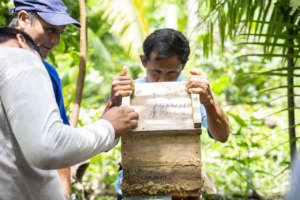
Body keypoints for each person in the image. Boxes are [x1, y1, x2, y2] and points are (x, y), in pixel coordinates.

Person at [0, 26, 139, 200]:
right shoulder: (19, 57)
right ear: (21, 41)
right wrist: (108, 127)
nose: (55, 41)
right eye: (49, 30)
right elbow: (48, 146)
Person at [108, 28, 230, 199]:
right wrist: (113, 102)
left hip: (182, 193)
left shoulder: (194, 91)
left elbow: (222, 136)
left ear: (184, 65)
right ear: (144, 61)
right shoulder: (128, 91)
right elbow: (106, 145)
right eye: (156, 72)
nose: (162, 81)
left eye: (172, 73)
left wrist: (209, 100)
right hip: (135, 192)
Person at [9, 0, 81, 196]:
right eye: (50, 30)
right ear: (23, 19)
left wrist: (64, 191)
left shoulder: (48, 73)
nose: (56, 41)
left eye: (60, 33)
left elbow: (59, 137)